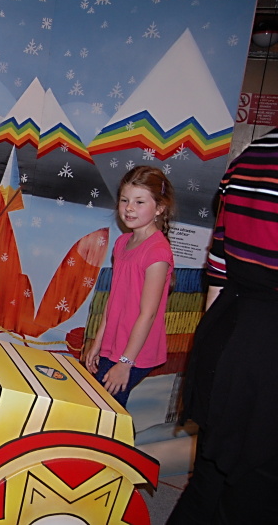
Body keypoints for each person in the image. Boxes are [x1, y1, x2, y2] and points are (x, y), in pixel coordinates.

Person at [167, 128, 278, 524]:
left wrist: (209, 353)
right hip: (266, 353)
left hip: (227, 330)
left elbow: (218, 266)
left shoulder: (255, 152)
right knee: (255, 498)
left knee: (209, 480)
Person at [84, 166, 175, 408]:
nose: (129, 208)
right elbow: (114, 300)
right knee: (103, 407)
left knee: (106, 408)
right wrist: (98, 343)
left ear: (159, 208)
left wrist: (125, 363)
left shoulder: (157, 252)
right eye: (125, 200)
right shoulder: (123, 242)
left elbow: (148, 314)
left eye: (139, 202)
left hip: (134, 351)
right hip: (114, 344)